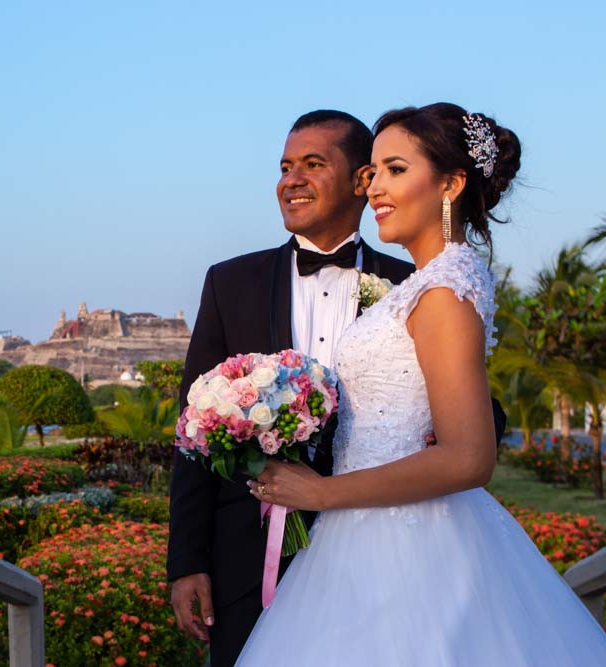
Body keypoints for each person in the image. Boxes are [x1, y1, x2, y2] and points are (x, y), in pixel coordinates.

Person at [236, 103, 606, 664]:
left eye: (396, 169)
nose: (375, 187)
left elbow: (469, 459)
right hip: (358, 536)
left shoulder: (444, 291)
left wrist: (319, 492)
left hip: (407, 546)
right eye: (374, 171)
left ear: (451, 183)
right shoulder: (427, 283)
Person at [166, 110, 506, 666]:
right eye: (284, 167)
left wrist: (446, 436)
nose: (291, 180)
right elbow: (194, 432)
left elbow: (472, 413)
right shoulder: (230, 283)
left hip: (392, 542)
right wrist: (186, 560)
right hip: (248, 556)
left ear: (358, 179)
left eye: (313, 164)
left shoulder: (413, 282)